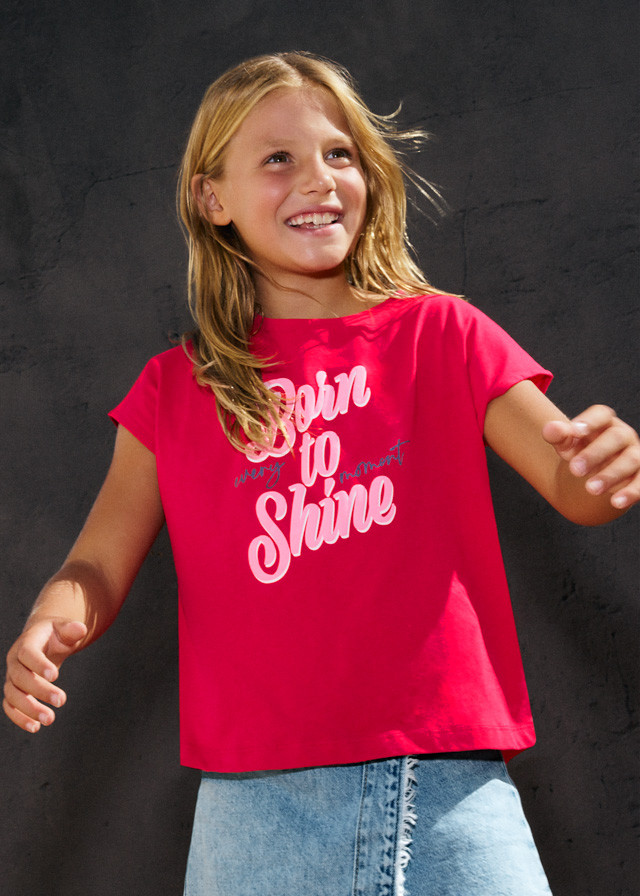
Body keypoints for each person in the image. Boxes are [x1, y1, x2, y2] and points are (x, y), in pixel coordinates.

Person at [3, 52, 639, 896]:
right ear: (212, 198)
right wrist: (53, 617)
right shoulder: (174, 387)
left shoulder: (443, 334)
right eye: (279, 158)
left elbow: (572, 485)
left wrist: (604, 467)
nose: (318, 178)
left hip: (449, 787)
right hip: (252, 816)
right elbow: (95, 564)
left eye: (340, 154)